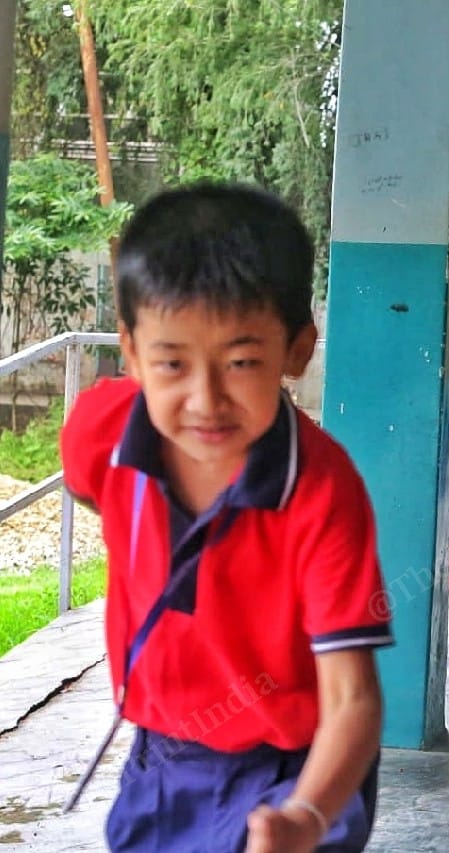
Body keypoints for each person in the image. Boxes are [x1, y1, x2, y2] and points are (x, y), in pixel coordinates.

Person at [59, 184, 392, 852]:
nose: (204, 398)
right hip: (161, 763)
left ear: (297, 350)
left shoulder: (322, 491)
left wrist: (306, 815)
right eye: (172, 363)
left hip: (291, 771)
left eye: (241, 362)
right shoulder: (100, 433)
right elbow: (98, 492)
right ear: (129, 350)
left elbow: (353, 698)